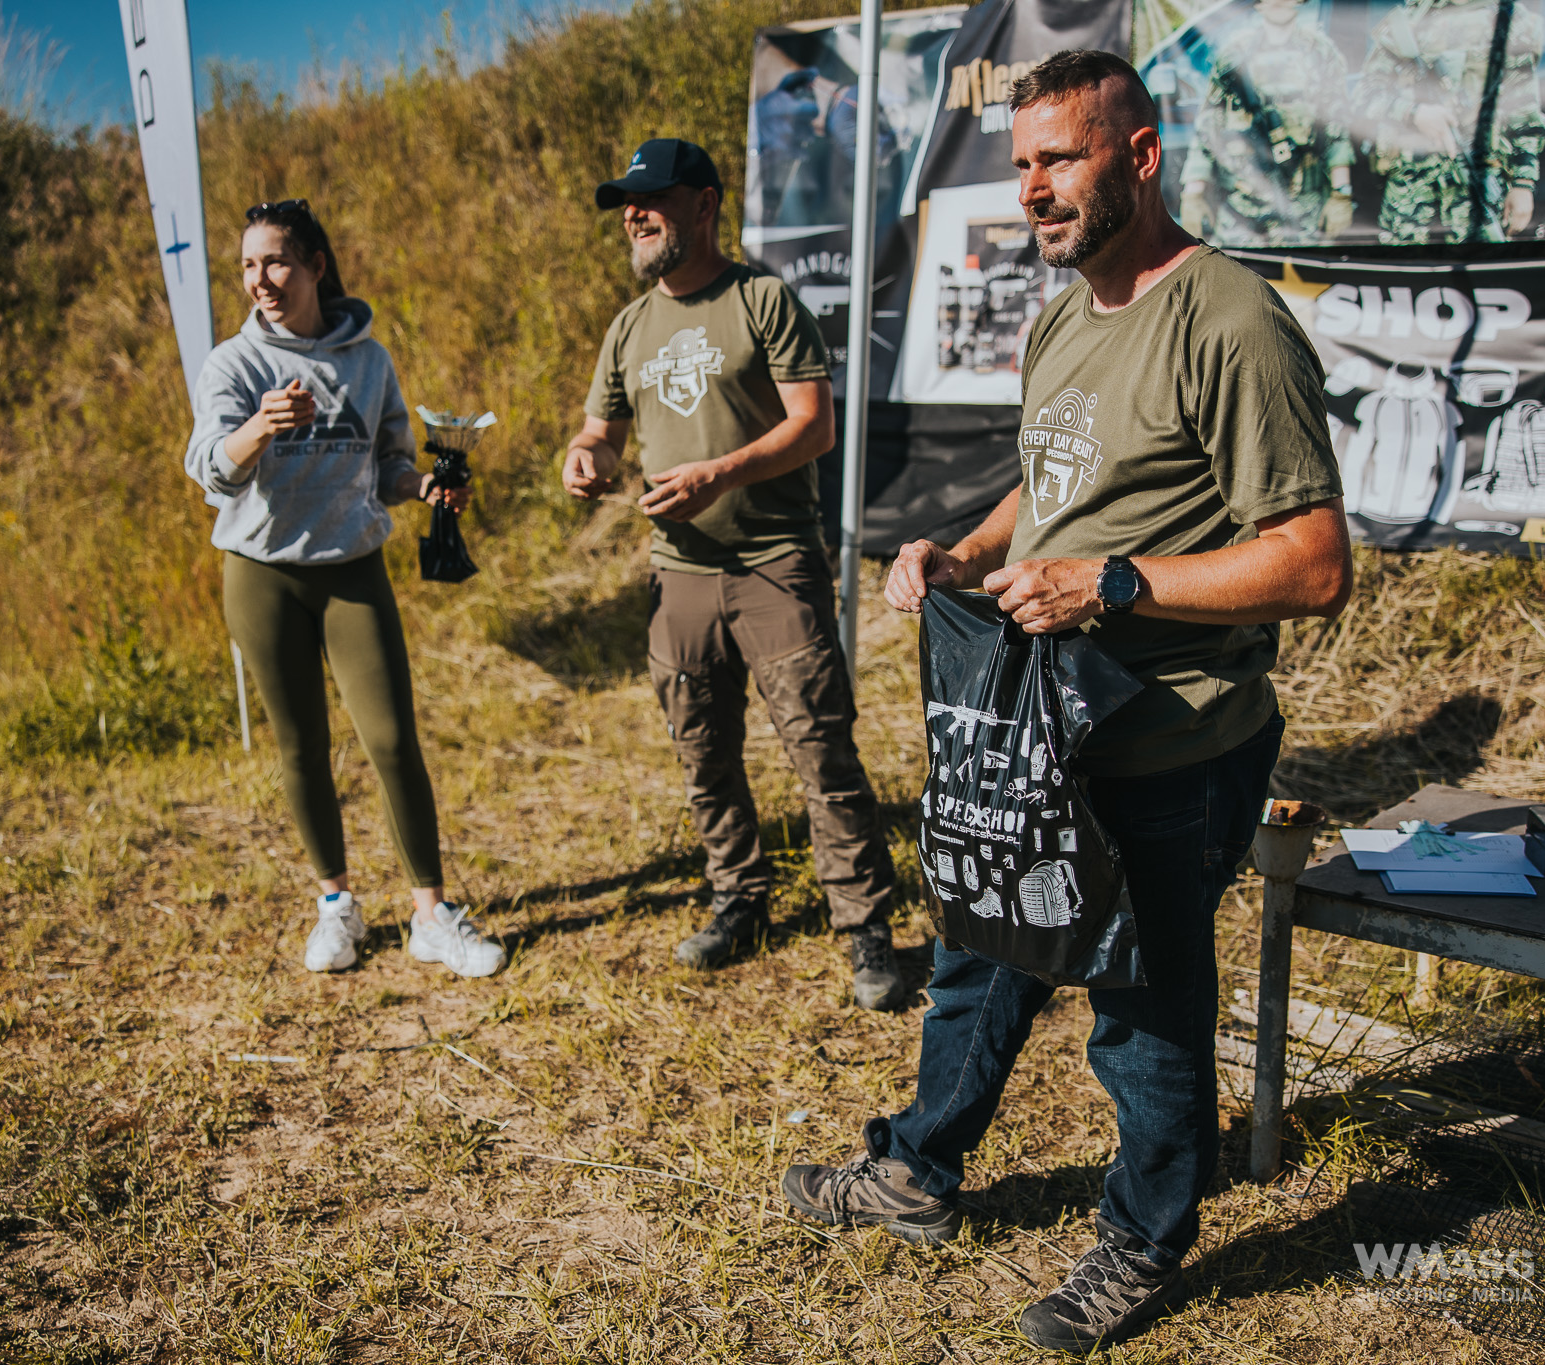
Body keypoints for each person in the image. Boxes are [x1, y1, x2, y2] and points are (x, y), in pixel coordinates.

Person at [780, 52, 1352, 1353]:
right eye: (1022, 163)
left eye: (1064, 158)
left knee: (1141, 1006)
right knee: (980, 951)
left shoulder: (1230, 320)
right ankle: (917, 1171)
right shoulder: (1062, 317)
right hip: (1046, 730)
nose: (1034, 188)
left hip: (1174, 739)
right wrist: (963, 554)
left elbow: (1316, 564)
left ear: (1139, 157)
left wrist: (1119, 584)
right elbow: (1056, 492)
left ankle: (1146, 1240)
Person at [561, 138, 908, 1012]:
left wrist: (717, 473)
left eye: (652, 199)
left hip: (774, 562)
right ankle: (738, 900)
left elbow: (812, 426)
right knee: (703, 754)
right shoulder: (630, 325)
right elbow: (600, 428)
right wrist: (586, 456)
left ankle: (866, 926)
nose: (634, 216)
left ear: (705, 205)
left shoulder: (761, 300)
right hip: (679, 574)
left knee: (820, 747)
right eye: (626, 204)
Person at [183, 199, 504, 980]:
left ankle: (431, 914)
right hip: (262, 576)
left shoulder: (368, 359)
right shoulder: (234, 364)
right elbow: (207, 470)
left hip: (352, 570)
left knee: (392, 739)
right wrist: (260, 427)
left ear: (316, 265)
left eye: (276, 261)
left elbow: (388, 463)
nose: (261, 279)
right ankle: (338, 905)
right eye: (249, 265)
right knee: (302, 747)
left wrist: (425, 485)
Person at [1359, 0, 1545, 244]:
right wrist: (1413, 112)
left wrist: (1523, 184)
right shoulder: (1408, 21)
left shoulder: (1509, 19)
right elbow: (1365, 95)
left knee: (1484, 274)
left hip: (1478, 187)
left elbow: (1523, 110)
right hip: (1411, 190)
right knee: (1406, 275)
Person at [1176, 0, 1354, 244]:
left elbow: (1338, 129)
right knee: (1233, 279)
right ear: (1258, 4)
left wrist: (1341, 194)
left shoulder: (1321, 53)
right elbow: (1208, 127)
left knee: (1305, 280)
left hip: (1303, 208)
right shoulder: (1232, 56)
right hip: (1242, 211)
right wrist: (1193, 195)